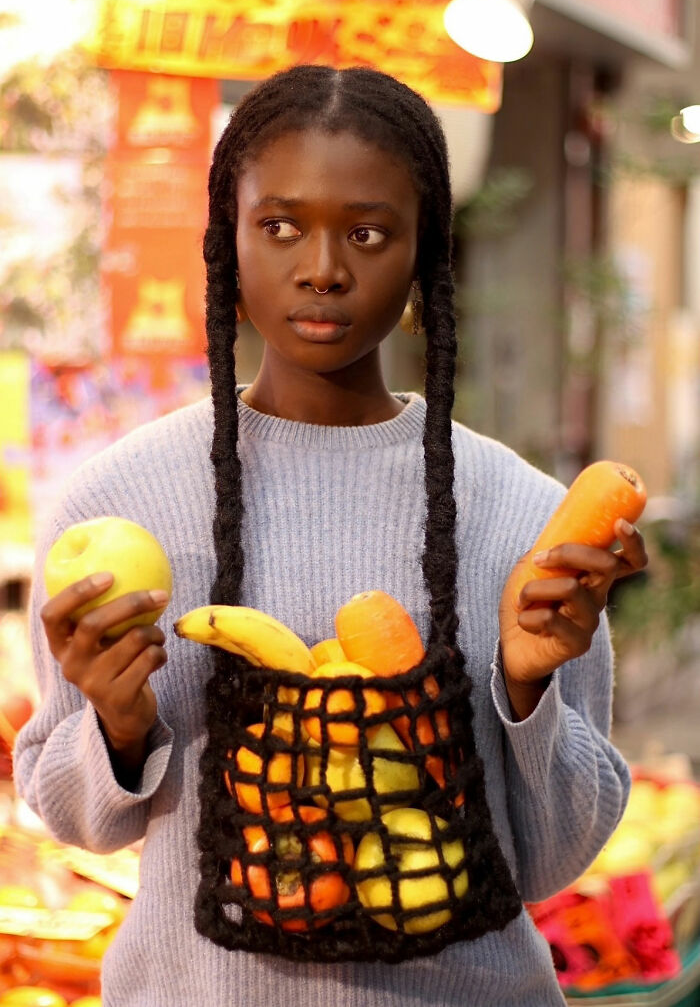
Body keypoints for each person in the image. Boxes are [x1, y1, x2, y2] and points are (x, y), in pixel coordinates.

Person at [14, 64, 647, 1006]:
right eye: (279, 226)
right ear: (227, 241)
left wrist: (527, 688)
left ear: (424, 253)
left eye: (367, 232)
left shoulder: (523, 517)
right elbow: (77, 823)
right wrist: (116, 726)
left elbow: (555, 859)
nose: (322, 268)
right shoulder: (116, 504)